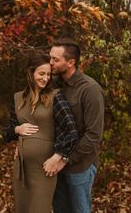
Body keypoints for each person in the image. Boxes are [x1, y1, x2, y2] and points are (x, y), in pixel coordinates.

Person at [4, 52, 78, 213]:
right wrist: (17, 129)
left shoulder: (55, 97)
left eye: (48, 75)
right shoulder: (18, 98)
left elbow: (71, 130)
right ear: (31, 73)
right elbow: (7, 133)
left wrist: (57, 156)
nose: (45, 78)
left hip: (44, 169)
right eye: (41, 73)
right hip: (22, 169)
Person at [44, 38, 104, 213]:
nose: (50, 63)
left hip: (80, 167)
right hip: (55, 166)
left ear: (71, 62)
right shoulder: (53, 85)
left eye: (56, 60)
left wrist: (64, 159)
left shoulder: (90, 90)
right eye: (50, 58)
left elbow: (93, 135)